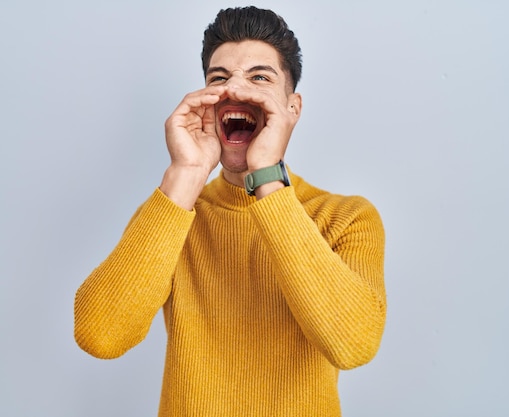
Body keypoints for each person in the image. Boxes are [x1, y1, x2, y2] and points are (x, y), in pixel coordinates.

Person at [74, 6, 386, 416]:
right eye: (219, 78)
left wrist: (267, 176)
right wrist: (187, 172)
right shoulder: (172, 213)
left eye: (259, 78)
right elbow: (100, 336)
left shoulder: (346, 218)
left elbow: (354, 344)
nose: (236, 92)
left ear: (292, 109)